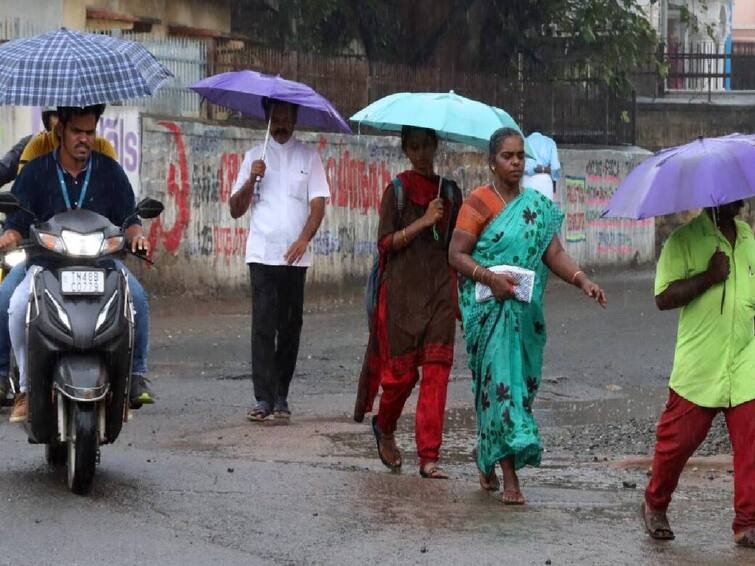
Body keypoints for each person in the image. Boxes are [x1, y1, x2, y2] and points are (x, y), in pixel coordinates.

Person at [449, 127, 606, 503]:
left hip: (524, 315)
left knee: (519, 390)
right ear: (492, 162)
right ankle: (511, 478)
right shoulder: (478, 203)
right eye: (508, 156)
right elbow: (456, 255)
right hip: (489, 314)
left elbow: (554, 254)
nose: (516, 162)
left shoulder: (535, 206)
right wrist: (489, 277)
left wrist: (583, 280)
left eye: (520, 155)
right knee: (501, 388)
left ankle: (487, 456)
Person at [0, 105, 153, 423]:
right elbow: (15, 220)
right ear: (61, 132)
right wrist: (9, 236)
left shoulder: (109, 171)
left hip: (101, 264)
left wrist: (137, 236)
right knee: (13, 306)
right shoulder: (37, 171)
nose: (84, 139)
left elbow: (129, 218)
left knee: (135, 300)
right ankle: (25, 389)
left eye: (90, 132)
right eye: (77, 132)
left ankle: (130, 382)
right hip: (45, 264)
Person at [642, 201, 755, 548]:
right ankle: (655, 503)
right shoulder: (683, 240)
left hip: (746, 360)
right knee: (677, 443)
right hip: (701, 364)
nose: (742, 199)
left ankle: (747, 522)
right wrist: (708, 276)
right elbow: (663, 297)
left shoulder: (749, 237)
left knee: (751, 446)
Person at [354, 126, 462, 479]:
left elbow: (458, 245)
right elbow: (385, 243)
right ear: (404, 149)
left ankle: (429, 456)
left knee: (436, 375)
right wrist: (423, 221)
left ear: (435, 146)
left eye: (426, 145)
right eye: (413, 146)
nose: (420, 153)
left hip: (440, 293)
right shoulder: (396, 191)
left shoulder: (449, 192)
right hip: (399, 297)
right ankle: (384, 427)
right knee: (399, 378)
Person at [230, 97, 329, 422]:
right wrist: (251, 179)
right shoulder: (253, 157)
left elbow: (318, 203)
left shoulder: (308, 156)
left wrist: (304, 239)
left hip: (294, 259)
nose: (282, 119)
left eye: (288, 113)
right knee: (262, 327)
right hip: (261, 254)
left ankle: (282, 395)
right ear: (269, 116)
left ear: (296, 117)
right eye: (277, 113)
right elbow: (235, 208)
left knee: (289, 328)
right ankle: (263, 399)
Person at [0, 108, 58, 188]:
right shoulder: (32, 143)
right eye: (57, 115)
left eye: (67, 116)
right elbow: (5, 168)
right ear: (47, 118)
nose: (62, 122)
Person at [523, 131, 560, 200]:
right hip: (545, 181)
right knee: (545, 209)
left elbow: (521, 165)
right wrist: (546, 169)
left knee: (528, 208)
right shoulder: (550, 142)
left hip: (527, 179)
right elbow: (555, 167)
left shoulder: (524, 142)